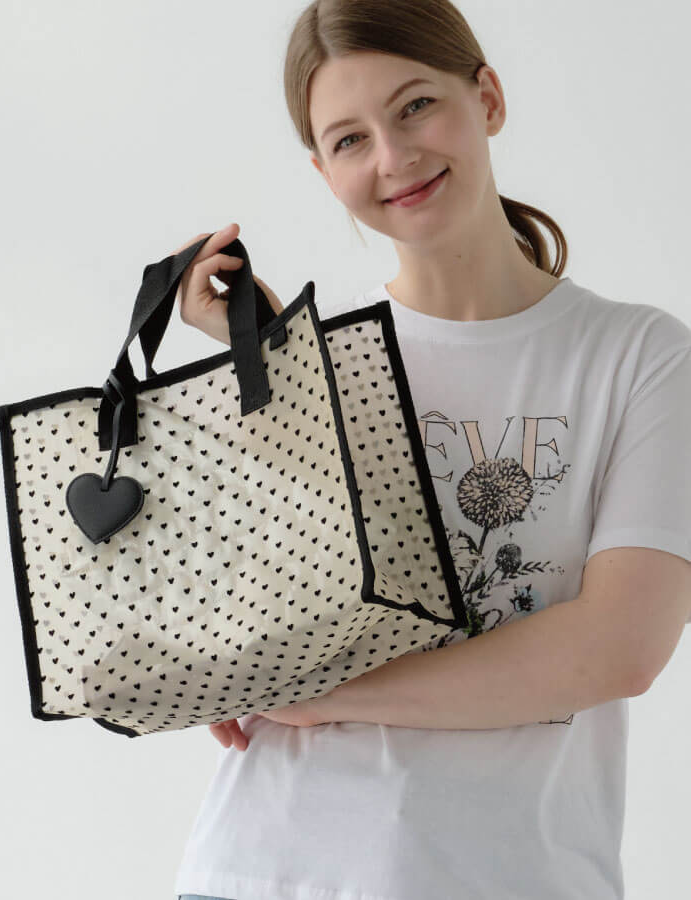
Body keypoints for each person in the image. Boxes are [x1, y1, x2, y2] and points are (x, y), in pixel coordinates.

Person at [172, 1, 691, 898]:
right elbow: (255, 633)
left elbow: (618, 648)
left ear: (487, 97)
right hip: (263, 866)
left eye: (415, 106)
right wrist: (271, 369)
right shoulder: (317, 364)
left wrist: (325, 696)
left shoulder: (640, 358)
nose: (393, 157)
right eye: (349, 139)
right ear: (323, 171)